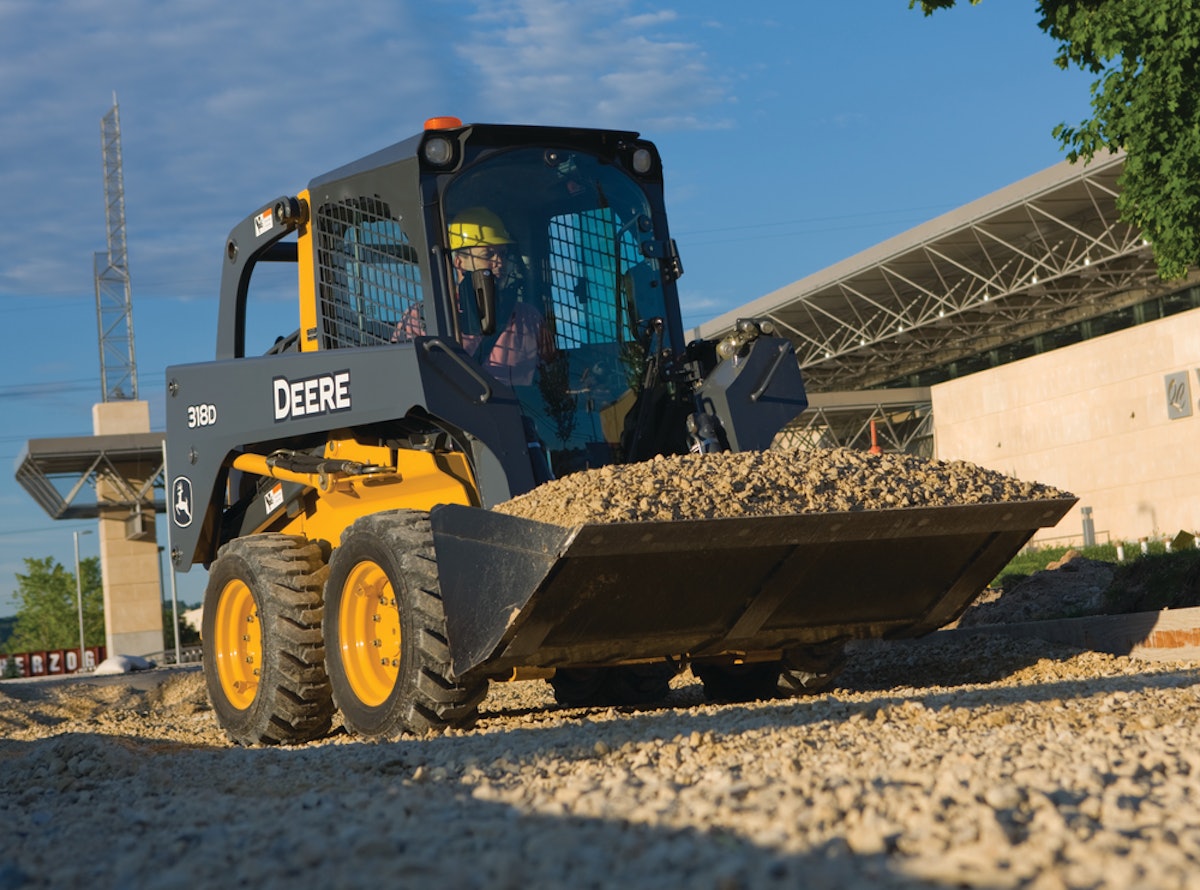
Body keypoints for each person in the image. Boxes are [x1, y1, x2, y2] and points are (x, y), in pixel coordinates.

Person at [445, 207, 556, 386]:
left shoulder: (529, 318)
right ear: (459, 262)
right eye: (488, 254)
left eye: (502, 254)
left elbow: (552, 376)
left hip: (522, 412)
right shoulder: (423, 319)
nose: (499, 262)